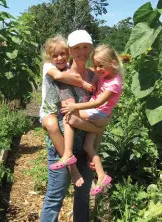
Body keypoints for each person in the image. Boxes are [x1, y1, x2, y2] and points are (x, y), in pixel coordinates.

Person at [40, 30, 99, 222]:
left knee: (83, 199)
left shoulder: (95, 77)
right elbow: (72, 118)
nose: (82, 51)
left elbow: (102, 113)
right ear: (71, 51)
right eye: (77, 48)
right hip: (62, 148)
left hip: (85, 146)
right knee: (55, 198)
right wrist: (97, 127)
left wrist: (94, 147)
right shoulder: (63, 77)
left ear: (91, 48)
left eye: (85, 47)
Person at [51, 44, 123, 196]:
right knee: (88, 147)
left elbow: (98, 102)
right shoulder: (106, 75)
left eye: (101, 66)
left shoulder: (114, 83)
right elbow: (91, 80)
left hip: (98, 113)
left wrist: (75, 106)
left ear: (113, 62)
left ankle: (67, 154)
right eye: (95, 65)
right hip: (98, 115)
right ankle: (102, 176)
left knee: (69, 117)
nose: (97, 69)